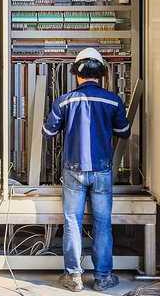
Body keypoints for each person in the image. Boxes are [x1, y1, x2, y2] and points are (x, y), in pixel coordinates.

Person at [42, 47, 130, 292]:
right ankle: (102, 278)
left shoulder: (65, 100)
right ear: (101, 73)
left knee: (72, 222)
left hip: (73, 169)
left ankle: (73, 277)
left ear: (76, 74)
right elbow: (124, 132)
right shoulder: (112, 100)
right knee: (103, 224)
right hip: (102, 170)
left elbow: (48, 132)